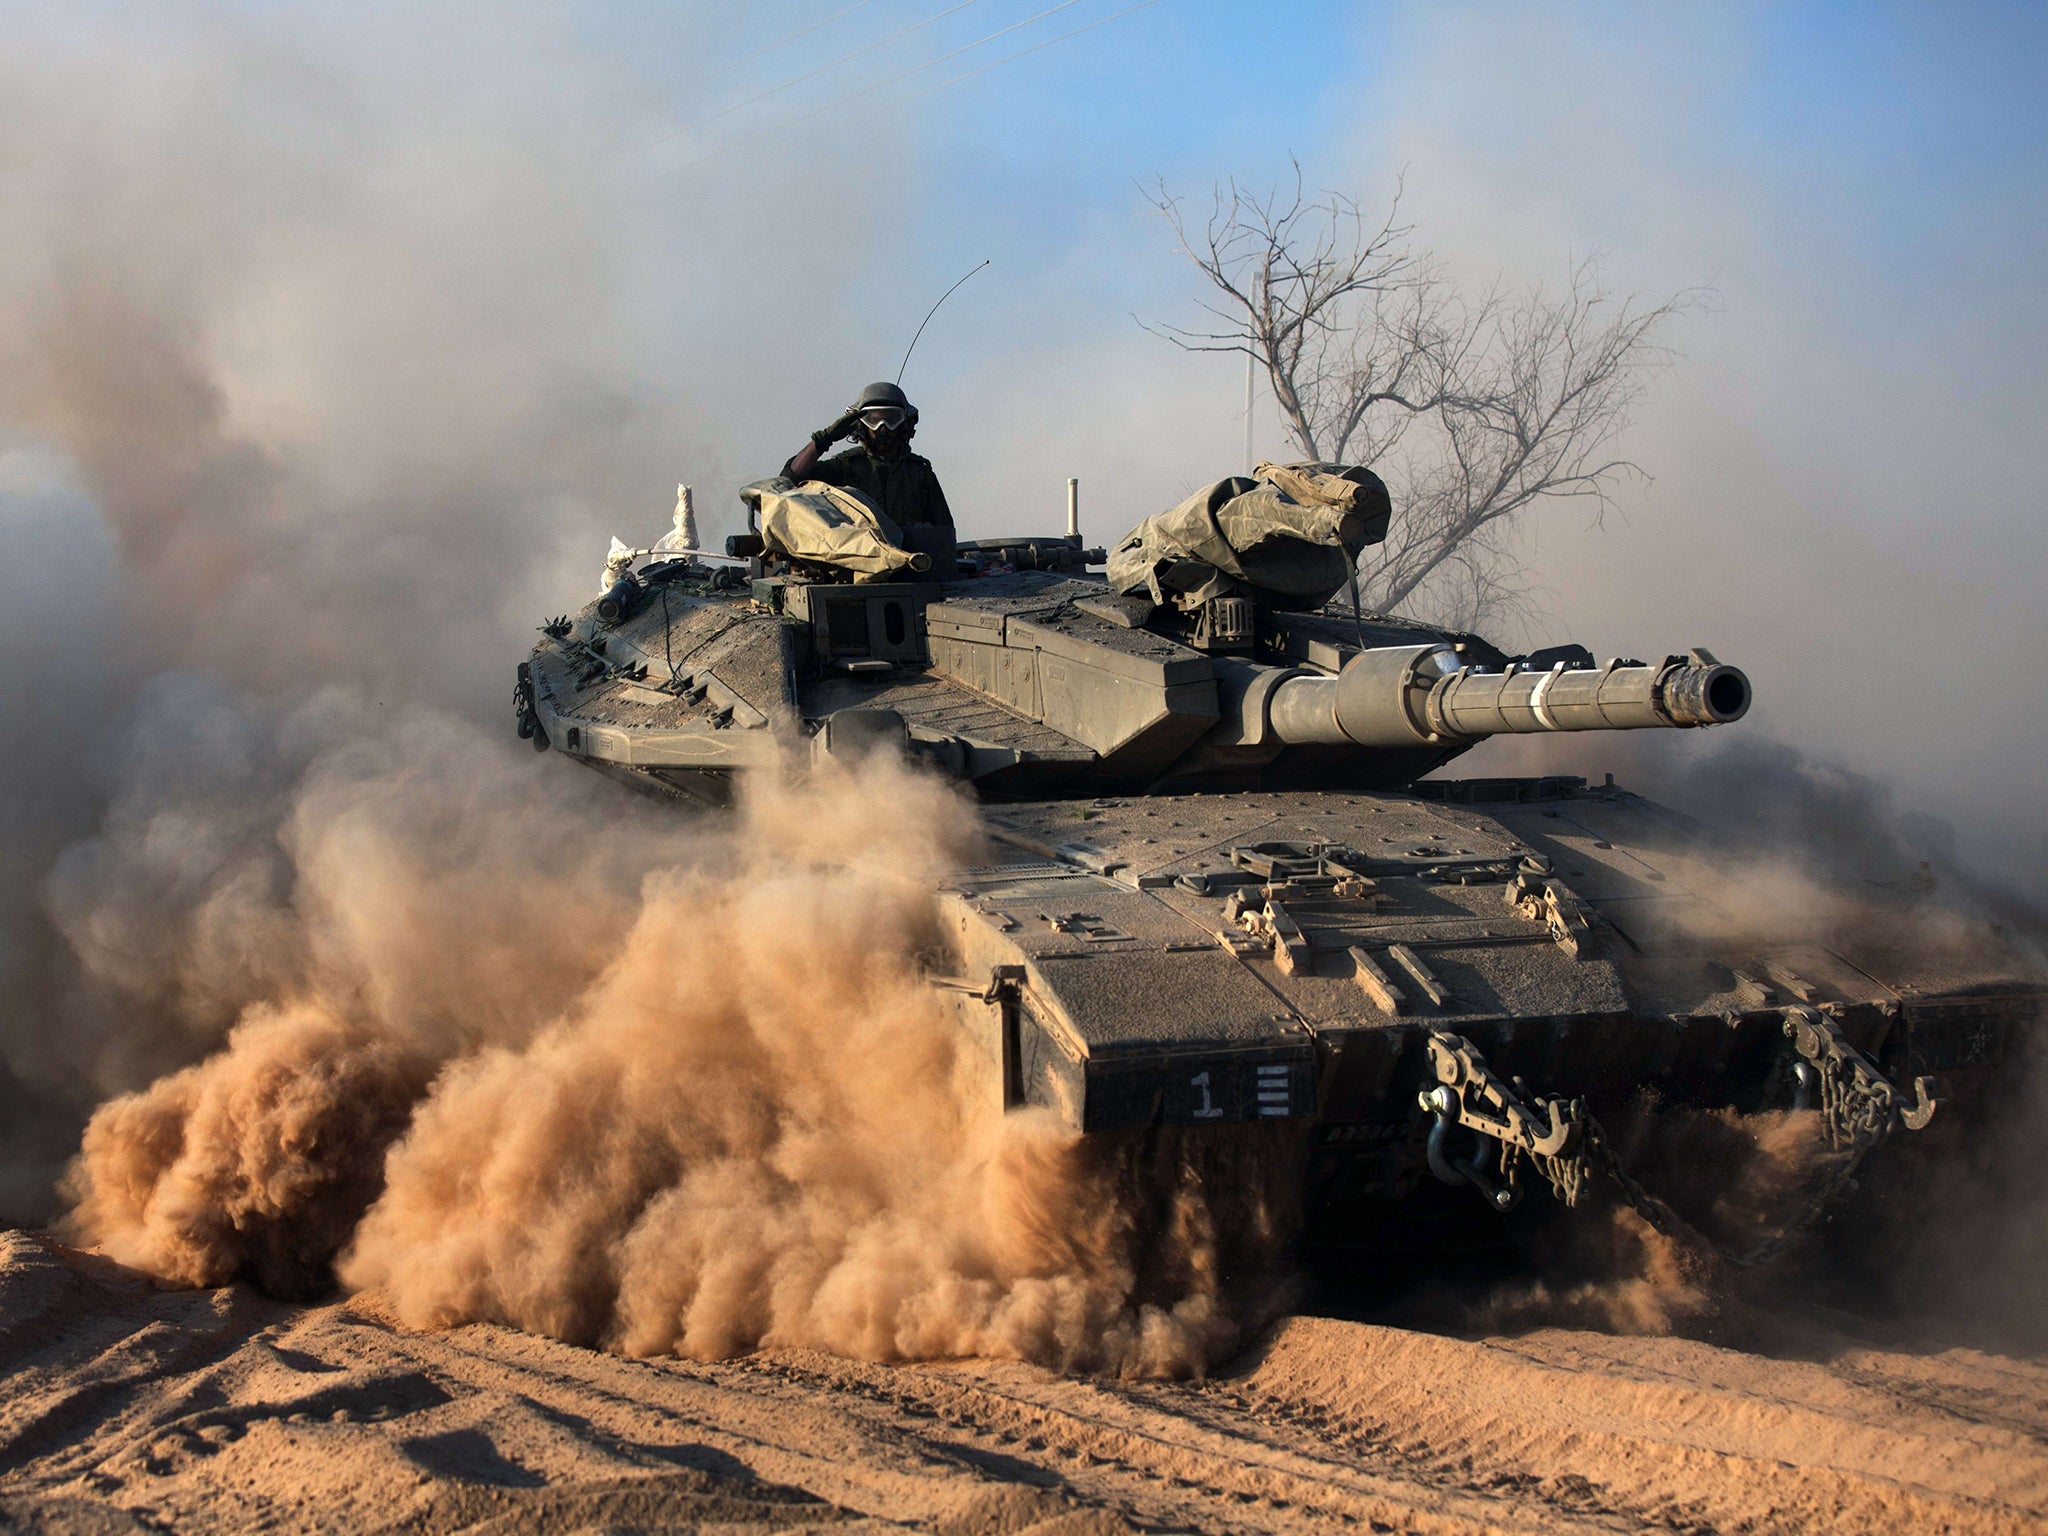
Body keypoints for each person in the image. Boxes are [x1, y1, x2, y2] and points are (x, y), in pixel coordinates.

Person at [782, 382, 954, 537]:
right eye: (873, 420)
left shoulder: (919, 473)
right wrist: (823, 439)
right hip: (857, 567)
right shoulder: (845, 467)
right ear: (860, 424)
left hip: (913, 565)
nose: (883, 428)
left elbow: (944, 532)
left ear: (905, 424)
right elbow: (788, 482)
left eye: (892, 419)